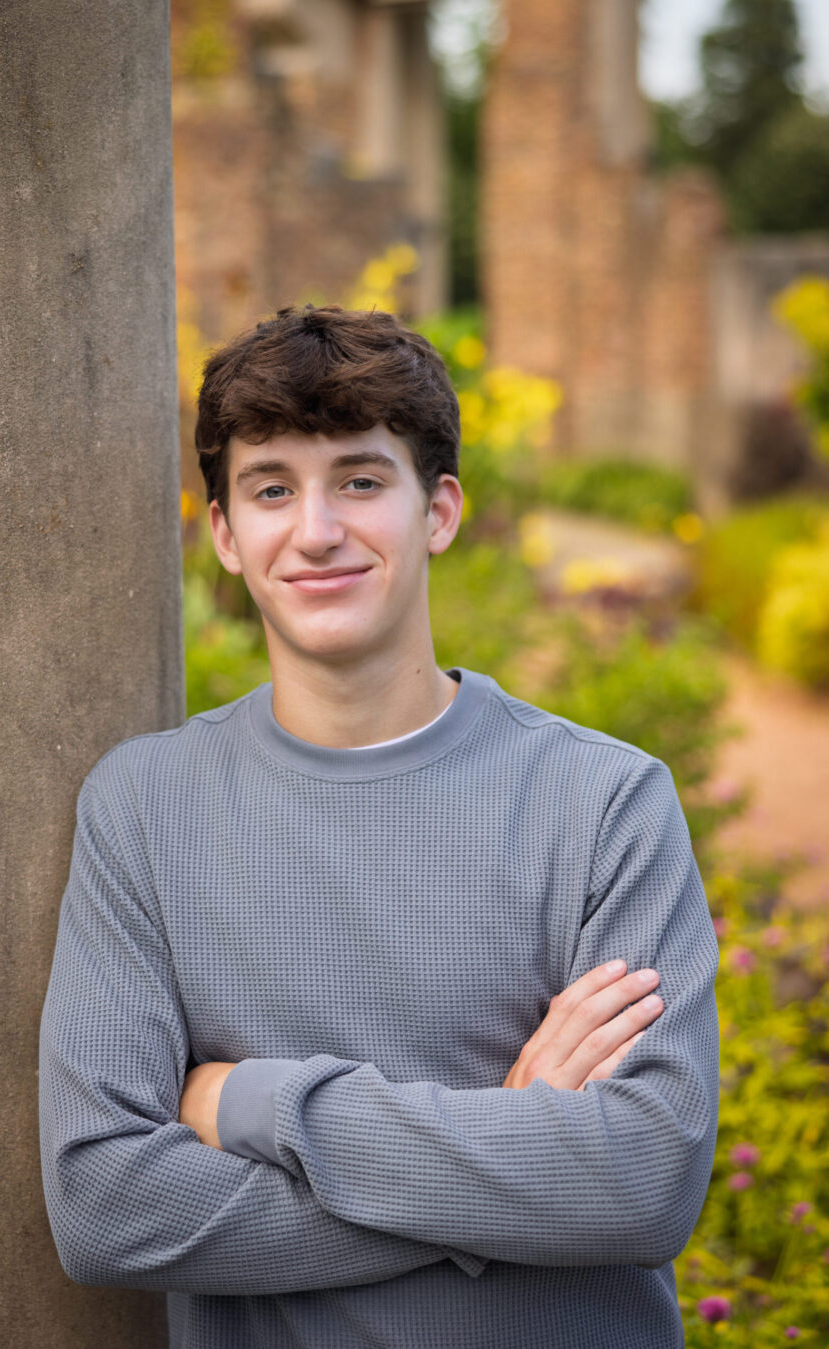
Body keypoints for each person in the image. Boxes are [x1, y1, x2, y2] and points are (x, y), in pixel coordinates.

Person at [39, 303, 719, 1349]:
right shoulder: (142, 808)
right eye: (272, 489)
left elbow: (642, 1180)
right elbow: (105, 1205)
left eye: (360, 481)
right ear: (223, 533)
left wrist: (256, 1103)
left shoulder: (605, 801)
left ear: (438, 510)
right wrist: (507, 1171)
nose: (316, 530)